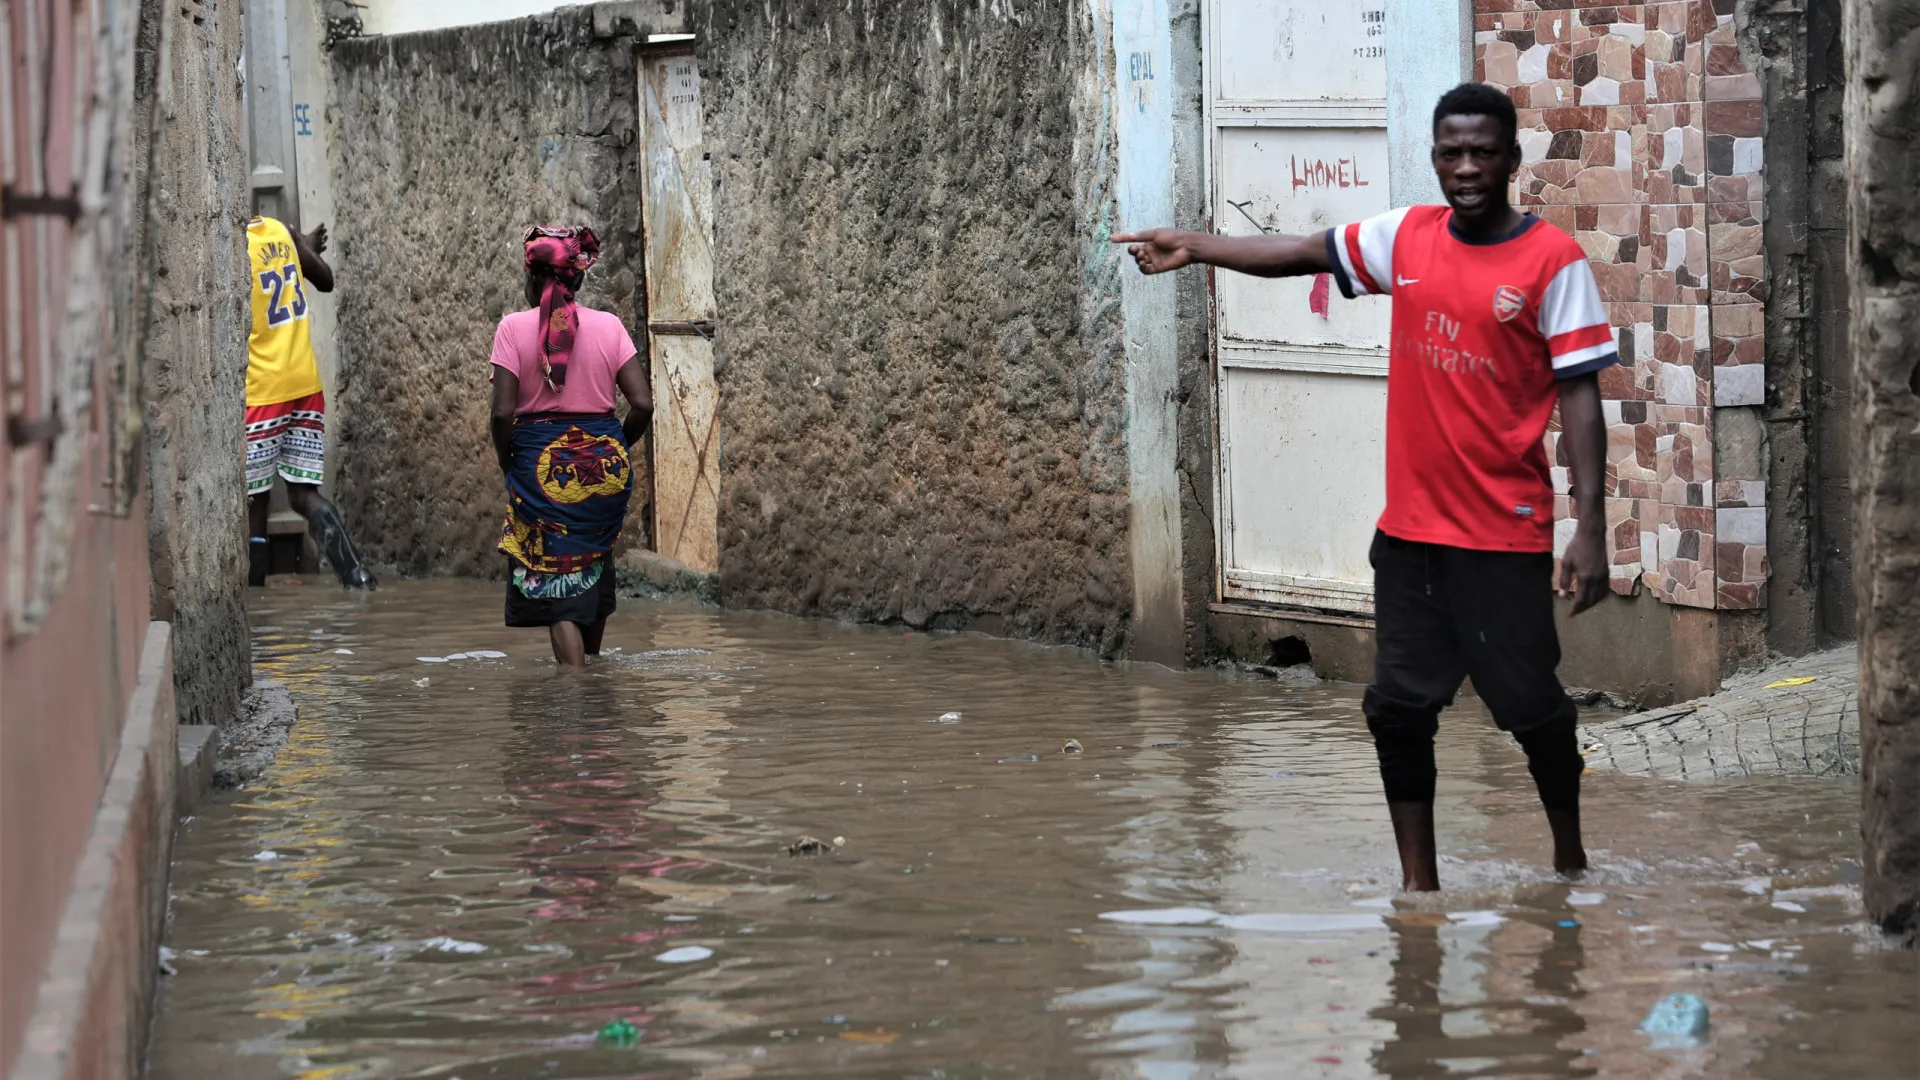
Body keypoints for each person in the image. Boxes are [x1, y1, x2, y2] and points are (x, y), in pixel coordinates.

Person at [1115, 83, 1613, 891]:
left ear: (1512, 161)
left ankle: (1570, 859)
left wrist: (1590, 529)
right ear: (1433, 158)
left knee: (1531, 713)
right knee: (1397, 711)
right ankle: (1418, 891)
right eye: (1450, 152)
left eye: (1483, 151)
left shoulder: (1552, 262)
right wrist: (1196, 247)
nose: (1466, 167)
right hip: (1412, 538)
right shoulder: (1407, 238)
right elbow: (1301, 251)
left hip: (1501, 538)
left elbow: (1582, 396)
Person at [490, 225, 653, 669]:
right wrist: (614, 446)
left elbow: (503, 414)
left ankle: (575, 693)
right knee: (592, 562)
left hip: (545, 468)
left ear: (532, 277)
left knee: (556, 578)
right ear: (576, 279)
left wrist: (509, 460)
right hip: (605, 468)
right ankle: (596, 698)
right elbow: (642, 404)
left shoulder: (511, 329)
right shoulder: (610, 327)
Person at [245, 215, 377, 589]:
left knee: (255, 501)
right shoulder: (277, 229)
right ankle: (357, 577)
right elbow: (325, 278)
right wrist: (300, 244)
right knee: (303, 495)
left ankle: (256, 601)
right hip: (305, 383)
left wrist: (300, 243)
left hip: (263, 388)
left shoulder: (232, 247)